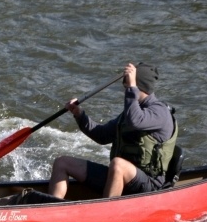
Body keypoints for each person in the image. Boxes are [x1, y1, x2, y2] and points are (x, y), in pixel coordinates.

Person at [47, 62, 178, 199]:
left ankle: (106, 213)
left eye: (127, 87)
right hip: (119, 176)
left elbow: (135, 120)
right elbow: (101, 136)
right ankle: (50, 209)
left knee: (117, 164)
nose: (125, 92)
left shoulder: (159, 112)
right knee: (62, 163)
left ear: (139, 87)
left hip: (149, 183)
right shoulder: (130, 112)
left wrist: (131, 85)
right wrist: (79, 115)